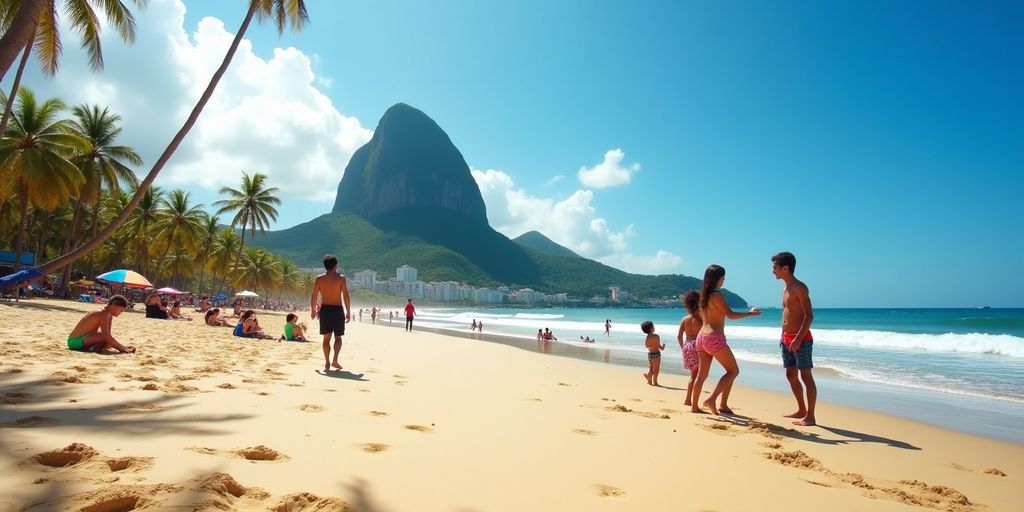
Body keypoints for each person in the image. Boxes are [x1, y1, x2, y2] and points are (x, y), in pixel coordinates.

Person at [690, 265, 761, 415]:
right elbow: (730, 315)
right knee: (733, 371)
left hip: (701, 338)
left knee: (701, 375)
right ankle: (712, 399)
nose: (724, 280)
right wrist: (750, 314)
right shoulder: (716, 295)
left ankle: (696, 407)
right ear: (718, 278)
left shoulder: (703, 296)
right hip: (714, 338)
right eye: (723, 277)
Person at [772, 251, 817, 426]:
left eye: (775, 267)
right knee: (791, 374)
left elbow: (809, 315)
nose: (773, 271)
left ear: (785, 268)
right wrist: (783, 336)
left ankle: (810, 416)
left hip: (801, 339)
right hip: (786, 338)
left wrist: (798, 338)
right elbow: (787, 314)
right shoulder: (784, 289)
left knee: (806, 376)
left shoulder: (799, 288)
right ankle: (801, 409)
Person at [311, 254, 352, 371]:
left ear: (325, 266)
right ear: (336, 265)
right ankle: (335, 360)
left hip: (325, 310)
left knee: (326, 339)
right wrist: (348, 311)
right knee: (338, 337)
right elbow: (346, 295)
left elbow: (313, 296)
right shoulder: (341, 278)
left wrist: (313, 310)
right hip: (337, 310)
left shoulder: (319, 279)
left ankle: (327, 362)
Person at [67, 295, 136, 353]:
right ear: (114, 305)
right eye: (121, 310)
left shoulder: (108, 314)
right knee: (105, 337)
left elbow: (108, 335)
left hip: (80, 339)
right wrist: (122, 348)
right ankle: (97, 348)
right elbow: (106, 336)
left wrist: (121, 346)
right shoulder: (103, 313)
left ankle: (97, 348)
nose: (121, 312)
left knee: (107, 338)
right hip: (74, 341)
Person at [676, 290, 702, 406]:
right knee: (697, 376)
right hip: (698, 346)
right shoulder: (701, 319)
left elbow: (679, 336)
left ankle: (688, 399)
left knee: (692, 375)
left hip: (687, 345)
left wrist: (683, 349)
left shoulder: (684, 319)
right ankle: (689, 400)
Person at [641, 320, 665, 386]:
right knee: (656, 369)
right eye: (653, 326)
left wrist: (651, 346)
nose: (654, 327)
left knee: (651, 368)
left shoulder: (647, 337)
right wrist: (663, 346)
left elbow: (646, 345)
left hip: (650, 354)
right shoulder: (656, 336)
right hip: (656, 354)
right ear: (651, 329)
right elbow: (659, 347)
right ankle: (655, 382)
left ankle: (649, 379)